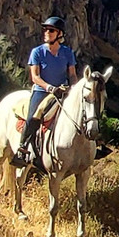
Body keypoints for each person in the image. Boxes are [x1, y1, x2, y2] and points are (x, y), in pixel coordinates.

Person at [11, 16, 78, 167]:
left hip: (62, 91)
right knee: (33, 116)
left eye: (51, 30)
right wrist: (49, 88)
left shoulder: (67, 53)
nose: (47, 32)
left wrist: (73, 87)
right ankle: (22, 148)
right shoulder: (37, 52)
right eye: (46, 29)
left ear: (59, 34)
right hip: (42, 91)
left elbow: (72, 74)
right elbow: (35, 77)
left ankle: (93, 145)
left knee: (84, 110)